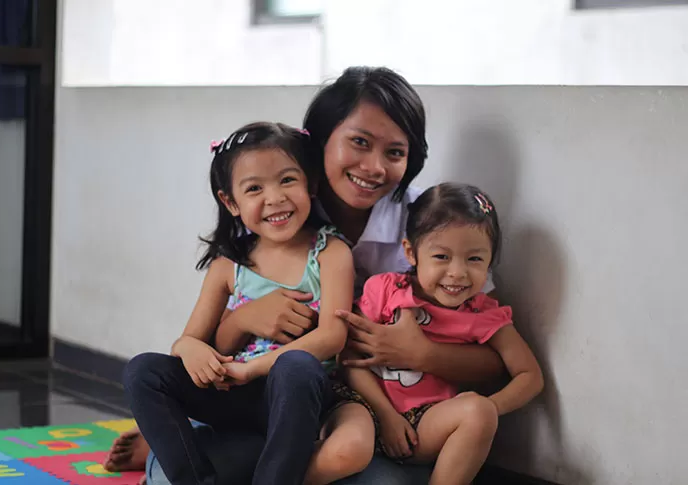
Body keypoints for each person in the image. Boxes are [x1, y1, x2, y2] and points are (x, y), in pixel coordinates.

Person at [106, 67, 507, 485]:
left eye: (394, 152)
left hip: (355, 405)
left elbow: (494, 357)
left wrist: (420, 353)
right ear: (319, 142)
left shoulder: (431, 226)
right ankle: (185, 442)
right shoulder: (273, 218)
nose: (373, 166)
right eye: (359, 142)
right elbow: (209, 346)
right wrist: (243, 319)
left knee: (378, 478)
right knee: (170, 469)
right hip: (262, 393)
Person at [121, 121, 356, 485]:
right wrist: (191, 350)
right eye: (254, 188)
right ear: (231, 202)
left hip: (297, 399)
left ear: (311, 184)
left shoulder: (330, 252)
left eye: (287, 180)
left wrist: (252, 369)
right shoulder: (227, 266)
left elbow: (332, 337)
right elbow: (188, 340)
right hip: (234, 394)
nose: (274, 198)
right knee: (143, 371)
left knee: (296, 366)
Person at [336, 183, 544, 485]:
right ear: (411, 252)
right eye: (442, 257)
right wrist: (386, 416)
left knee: (478, 411)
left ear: (490, 260)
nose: (457, 272)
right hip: (364, 408)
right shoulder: (385, 289)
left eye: (474, 259)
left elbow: (530, 376)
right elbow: (348, 359)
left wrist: (488, 410)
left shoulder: (482, 313)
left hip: (424, 426)